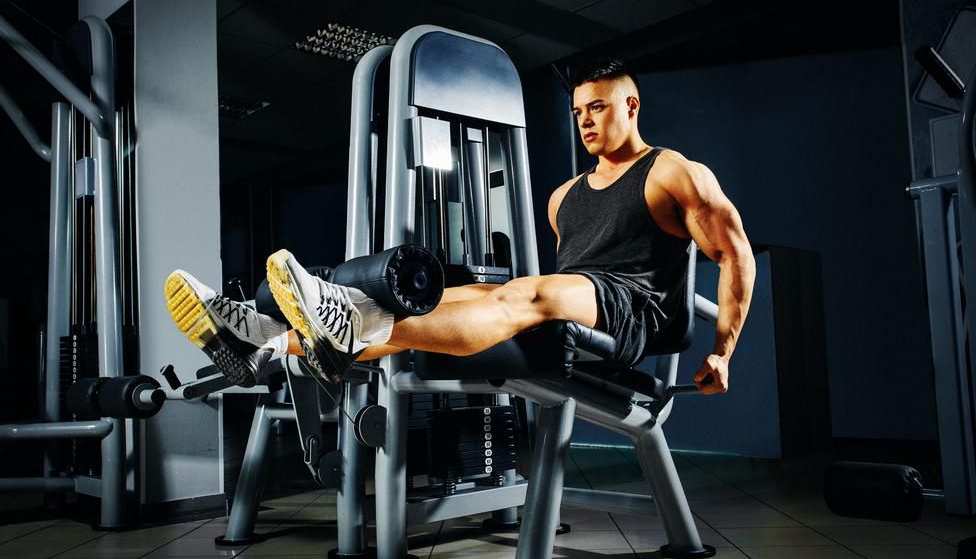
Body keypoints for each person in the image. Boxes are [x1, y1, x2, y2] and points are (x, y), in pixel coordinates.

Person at [165, 58, 755, 394]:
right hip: (580, 301)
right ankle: (260, 340)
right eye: (577, 112)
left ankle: (340, 321)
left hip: (634, 315)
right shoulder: (563, 198)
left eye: (597, 107)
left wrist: (723, 351)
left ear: (631, 105)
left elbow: (734, 256)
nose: (585, 121)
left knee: (532, 290)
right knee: (446, 302)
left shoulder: (670, 171)